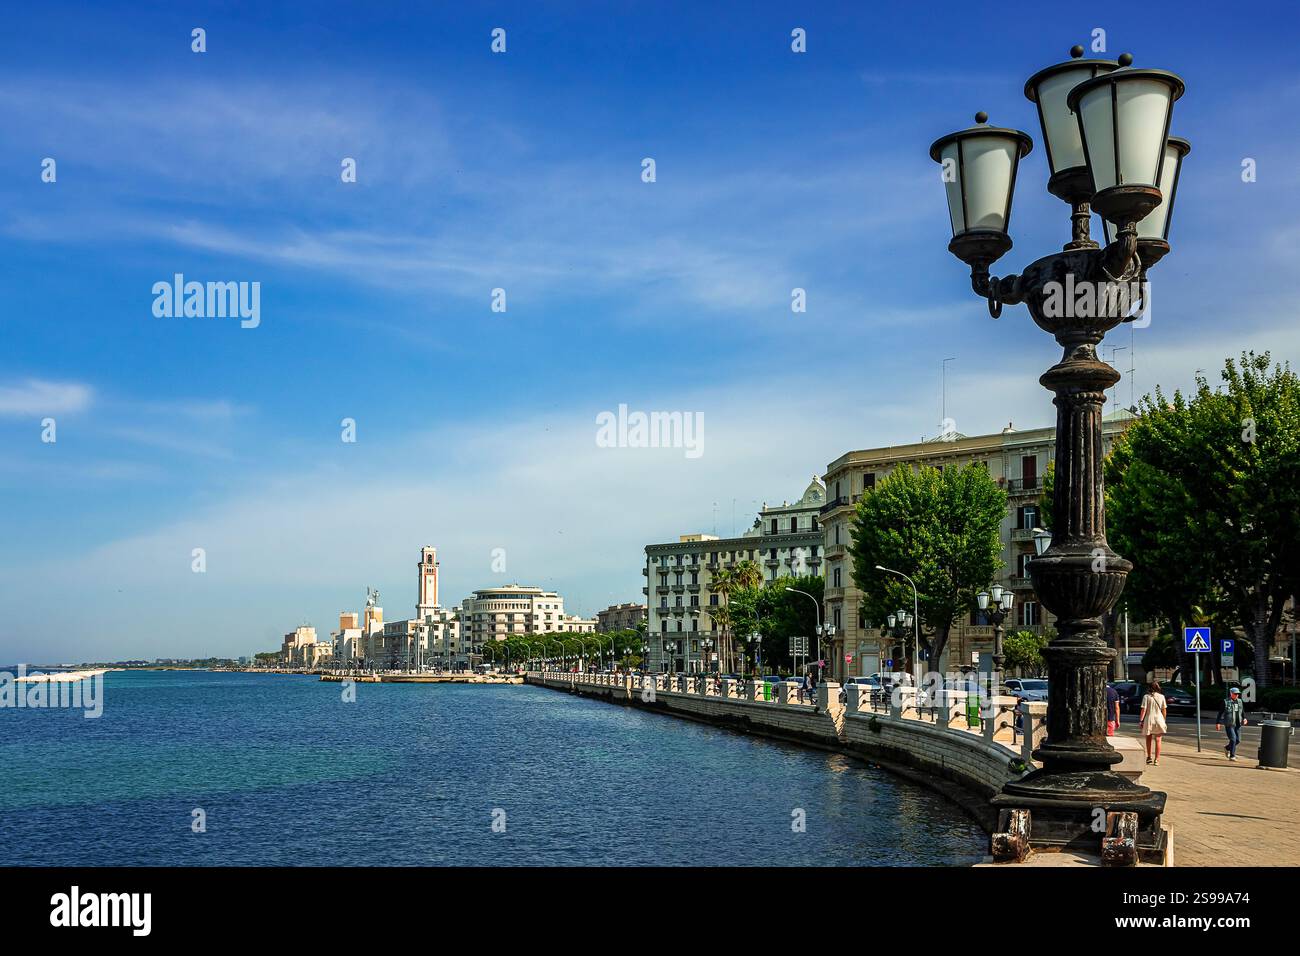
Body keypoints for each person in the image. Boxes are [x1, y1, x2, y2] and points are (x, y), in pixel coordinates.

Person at [1139, 681, 1168, 765]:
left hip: (1149, 719)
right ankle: (1157, 760)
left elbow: (1143, 710)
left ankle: (1149, 757)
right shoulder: (1162, 697)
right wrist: (1164, 720)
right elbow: (1164, 710)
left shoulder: (1146, 697)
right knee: (1158, 739)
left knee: (1148, 739)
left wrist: (1141, 720)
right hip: (1159, 719)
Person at [1216, 686, 1248, 761]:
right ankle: (1232, 756)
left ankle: (1227, 748)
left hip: (1238, 724)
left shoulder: (1240, 701)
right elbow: (1220, 713)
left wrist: (1245, 718)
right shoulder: (1226, 701)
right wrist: (1218, 723)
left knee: (1238, 740)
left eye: (1238, 694)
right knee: (1233, 739)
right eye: (1235, 694)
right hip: (1229, 724)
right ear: (1231, 693)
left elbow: (1242, 711)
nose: (1237, 695)